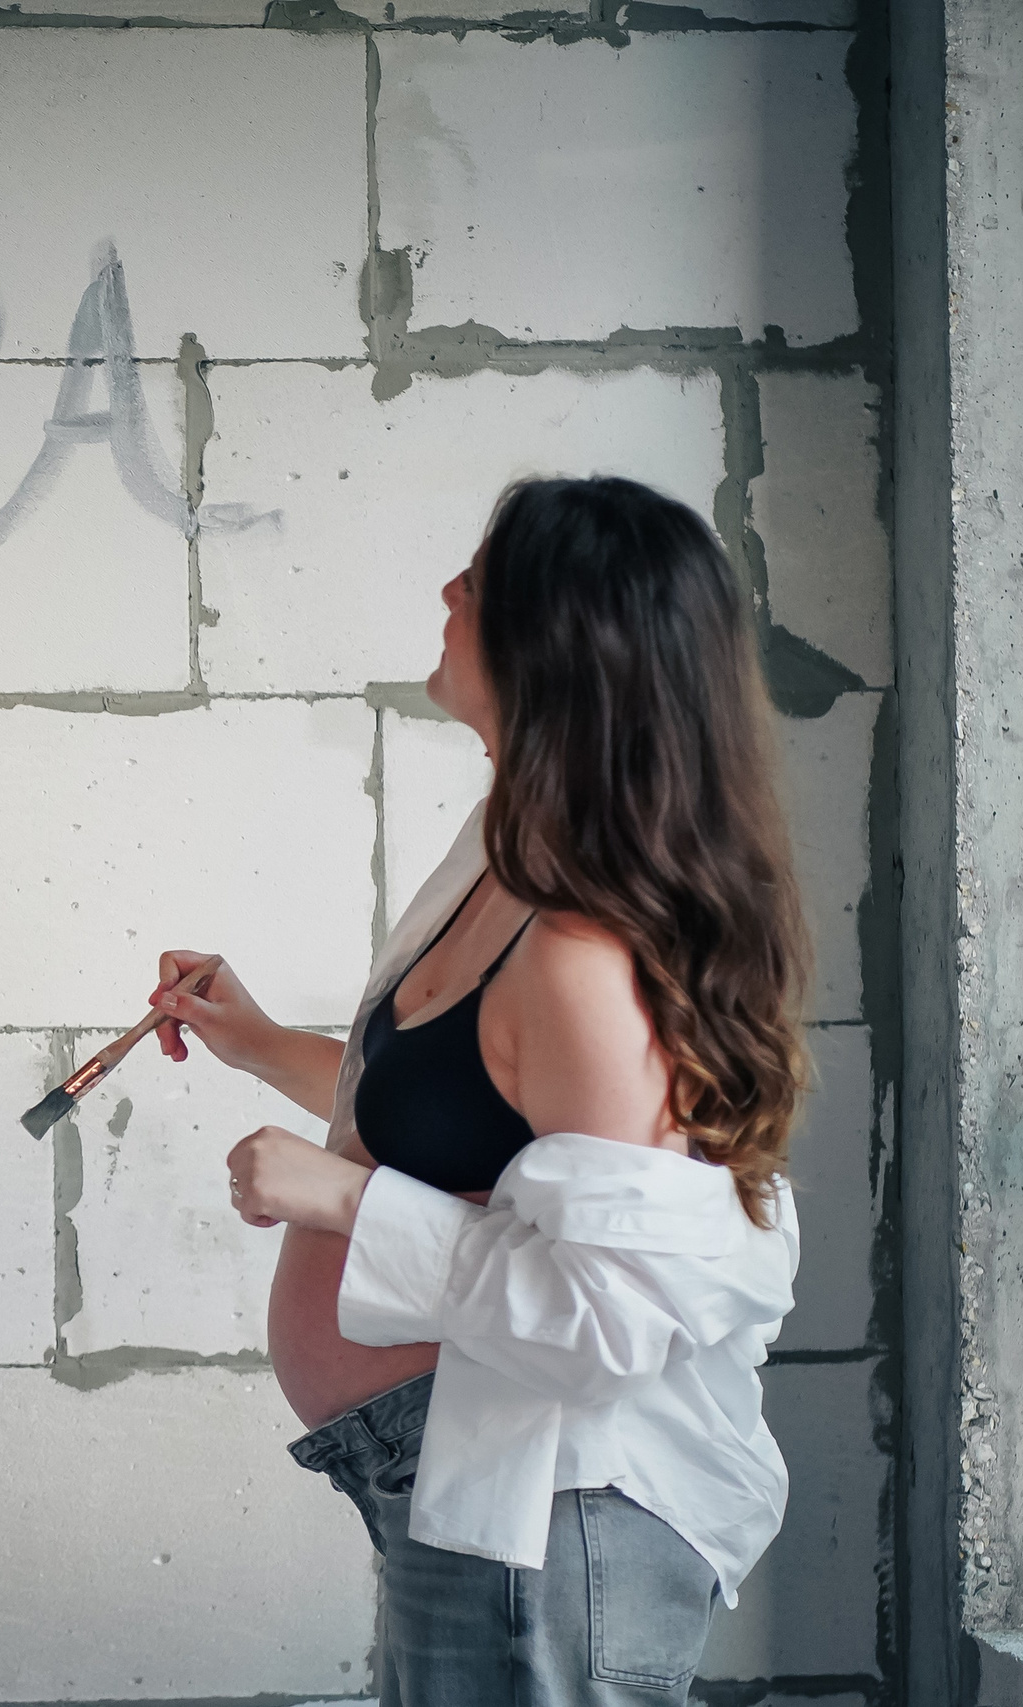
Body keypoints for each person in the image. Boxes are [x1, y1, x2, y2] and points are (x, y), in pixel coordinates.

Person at [149, 476, 808, 1706]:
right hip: (467, 1488)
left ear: (560, 642)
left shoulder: (579, 952)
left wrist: (341, 1203)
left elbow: (615, 1313)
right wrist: (261, 1045)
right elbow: (472, 1121)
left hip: (557, 1517)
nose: (449, 589)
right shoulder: (505, 853)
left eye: (482, 577)